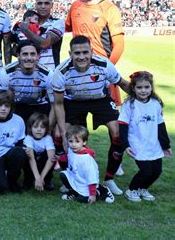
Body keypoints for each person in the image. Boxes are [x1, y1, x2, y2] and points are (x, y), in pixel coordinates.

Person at [52, 35, 130, 196]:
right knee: (60, 135)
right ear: (70, 53)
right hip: (73, 101)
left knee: (117, 134)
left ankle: (109, 178)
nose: (81, 57)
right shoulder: (61, 72)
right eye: (77, 53)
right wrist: (65, 132)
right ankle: (71, 177)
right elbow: (58, 104)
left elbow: (122, 83)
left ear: (92, 52)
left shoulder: (103, 64)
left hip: (99, 100)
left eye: (85, 52)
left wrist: (146, 100)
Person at [65, 0, 124, 104]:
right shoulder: (75, 6)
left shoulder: (110, 9)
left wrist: (107, 68)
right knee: (76, 119)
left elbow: (119, 45)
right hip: (78, 70)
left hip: (101, 71)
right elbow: (65, 27)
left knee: (111, 121)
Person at [119, 71, 172, 202]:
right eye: (139, 87)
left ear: (151, 87)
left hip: (153, 143)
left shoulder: (155, 104)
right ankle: (132, 190)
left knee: (156, 171)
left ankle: (142, 188)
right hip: (137, 143)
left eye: (146, 87)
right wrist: (125, 145)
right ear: (133, 88)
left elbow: (161, 125)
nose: (143, 90)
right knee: (146, 171)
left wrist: (166, 145)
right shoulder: (129, 105)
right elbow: (123, 126)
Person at [0, 41, 53, 124]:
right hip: (15, 107)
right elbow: (1, 101)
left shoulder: (48, 74)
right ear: (18, 56)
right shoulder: (6, 72)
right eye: (25, 54)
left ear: (38, 56)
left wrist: (49, 128)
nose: (29, 58)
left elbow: (54, 104)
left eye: (33, 54)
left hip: (40, 107)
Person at [60, 125, 115, 204]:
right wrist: (59, 158)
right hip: (77, 178)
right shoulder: (71, 150)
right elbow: (69, 157)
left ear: (84, 142)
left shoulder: (87, 159)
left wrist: (92, 194)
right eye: (70, 141)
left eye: (77, 141)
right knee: (63, 175)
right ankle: (73, 192)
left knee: (83, 200)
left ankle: (101, 190)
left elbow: (92, 177)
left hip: (87, 183)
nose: (73, 144)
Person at [17, 0, 65, 70]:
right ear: (35, 5)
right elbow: (15, 48)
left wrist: (26, 30)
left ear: (52, 5)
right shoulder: (25, 23)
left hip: (50, 73)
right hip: (28, 73)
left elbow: (45, 44)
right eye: (40, 3)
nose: (43, 6)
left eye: (46, 3)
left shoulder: (57, 23)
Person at [22, 112, 55, 191]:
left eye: (42, 127)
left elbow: (51, 158)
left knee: (50, 156)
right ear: (30, 128)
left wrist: (41, 178)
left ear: (46, 129)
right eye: (35, 127)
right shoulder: (28, 138)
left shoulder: (48, 138)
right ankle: (29, 179)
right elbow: (31, 159)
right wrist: (37, 177)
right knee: (27, 155)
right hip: (32, 164)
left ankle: (47, 179)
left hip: (43, 166)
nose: (39, 129)